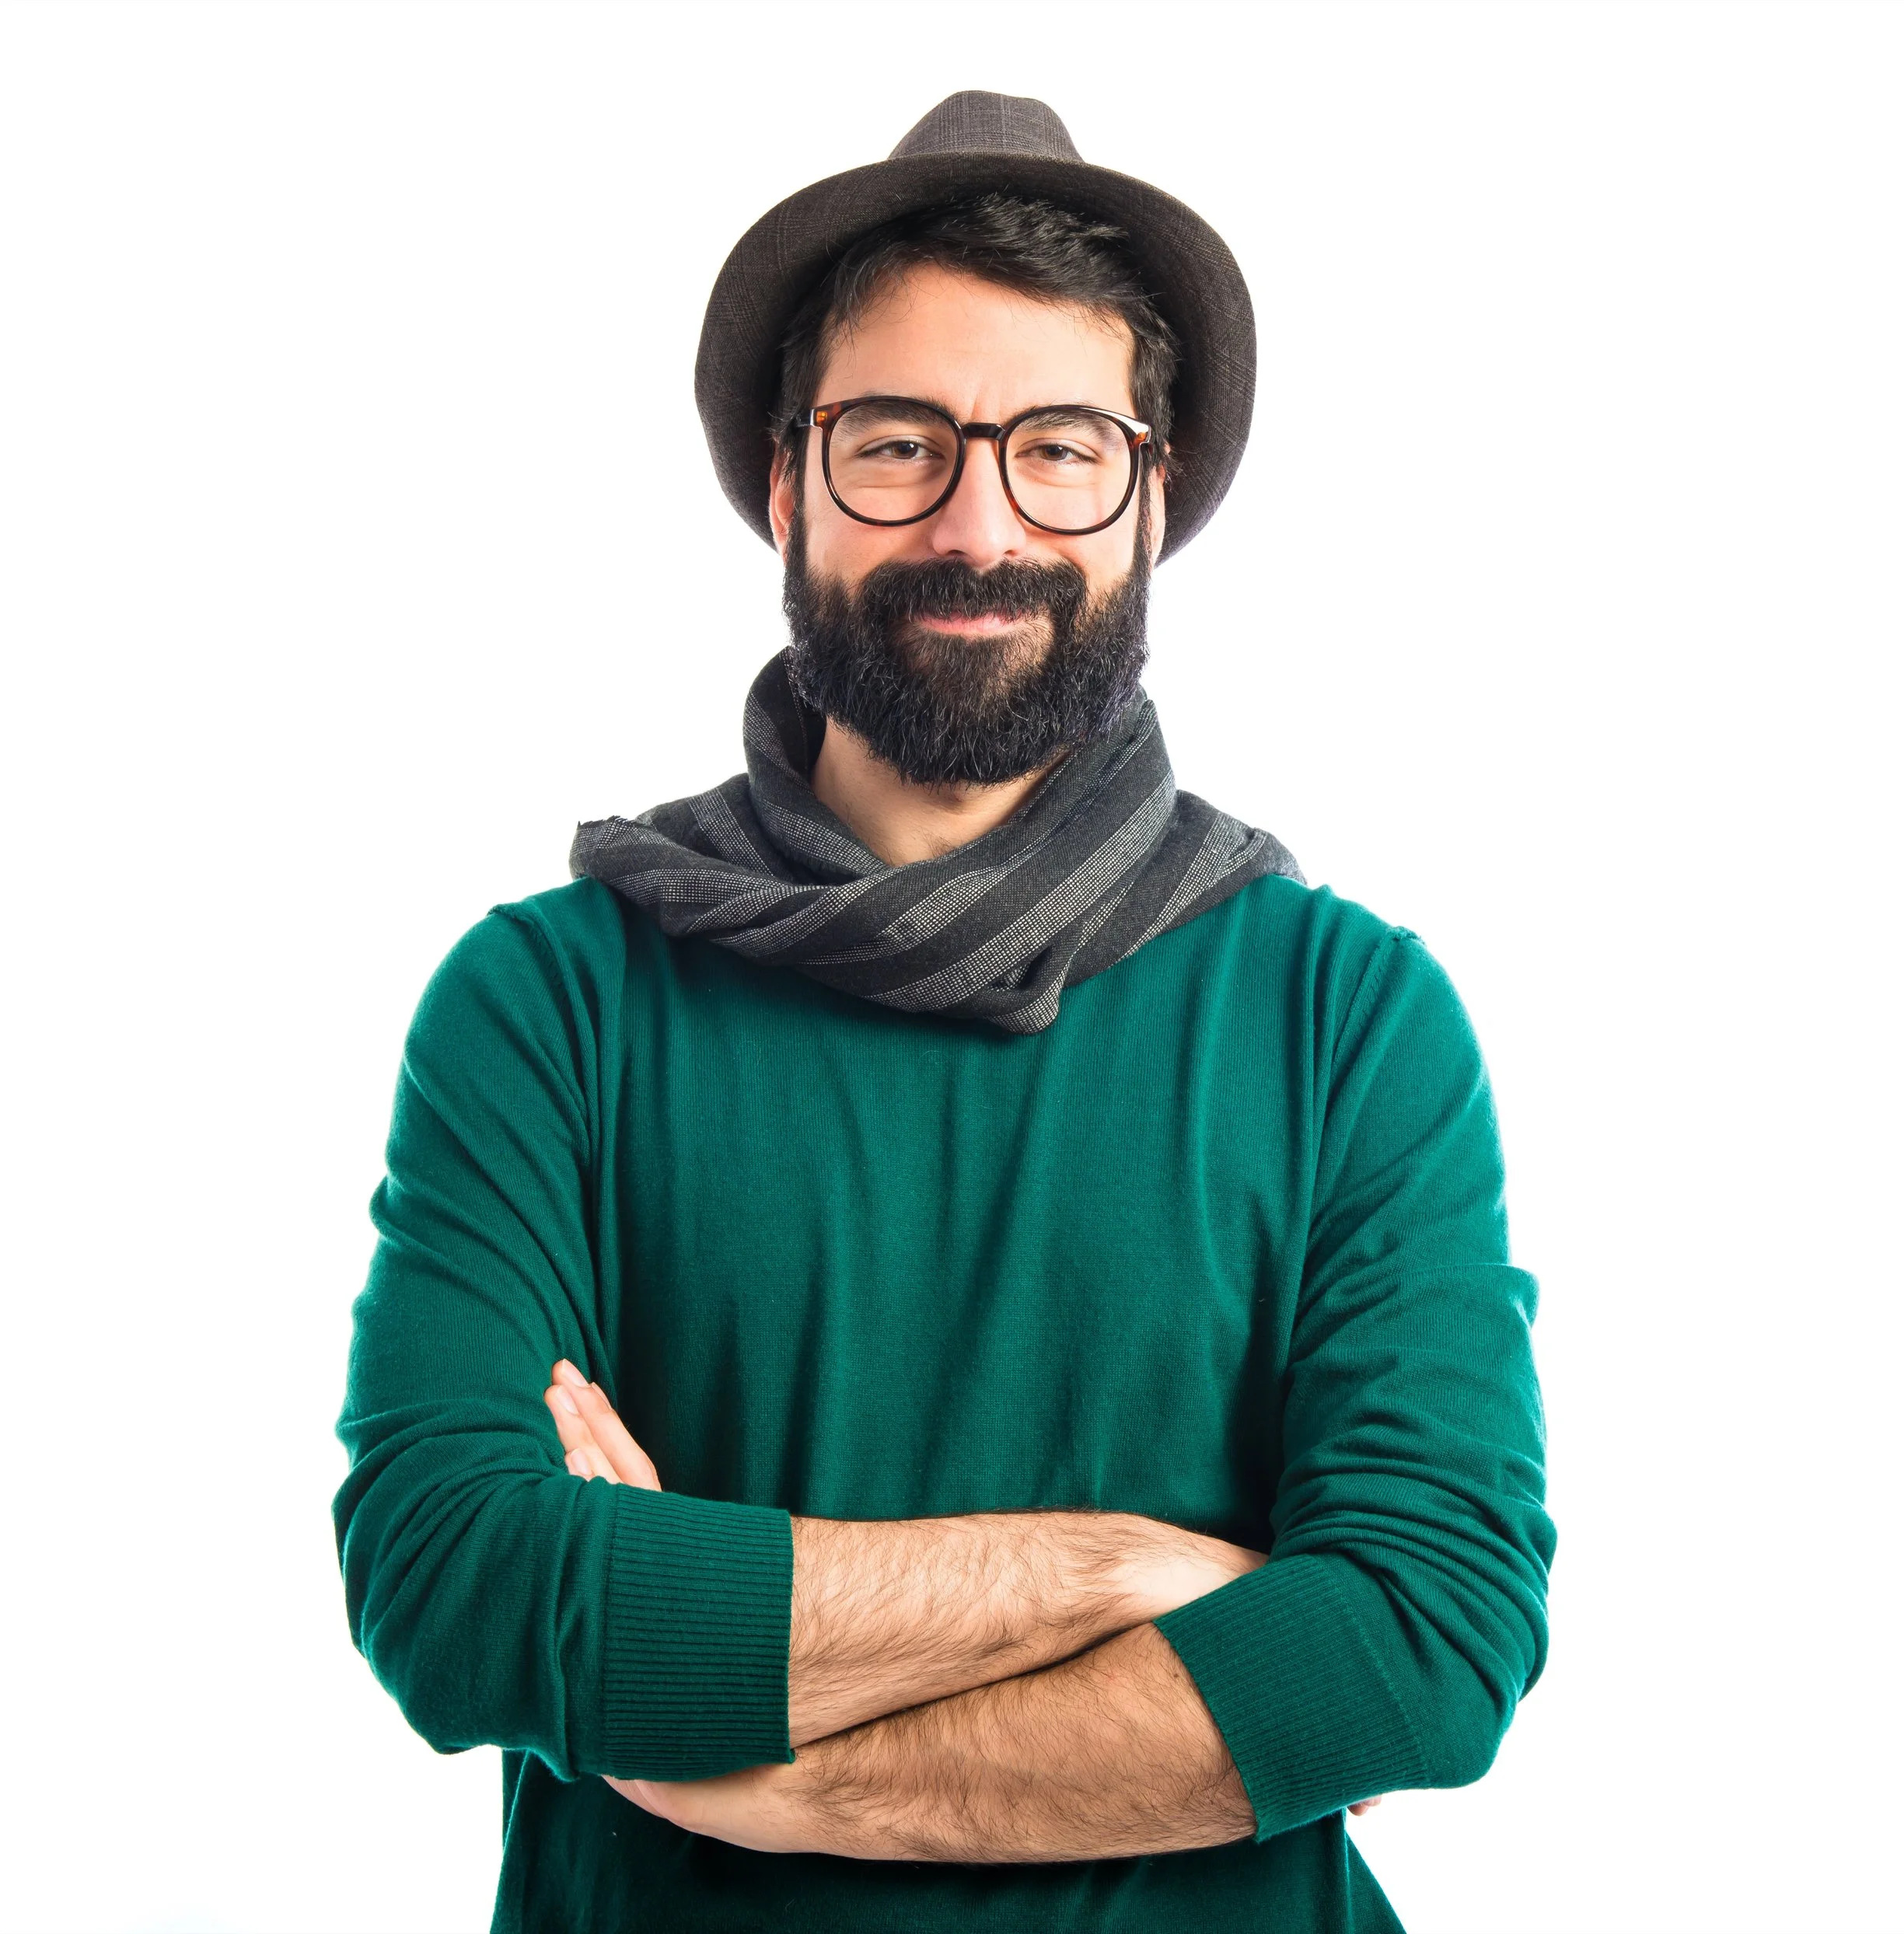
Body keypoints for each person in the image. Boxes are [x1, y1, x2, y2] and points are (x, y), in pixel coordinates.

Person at [334, 91, 1554, 1933]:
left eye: (1056, 447)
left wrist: (796, 1772)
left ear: (1147, 496)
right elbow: (458, 1586)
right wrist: (1105, 1568)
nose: (978, 522)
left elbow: (1420, 1637)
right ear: (784, 483)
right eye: (897, 442)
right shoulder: (552, 998)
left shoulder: (1341, 1015)